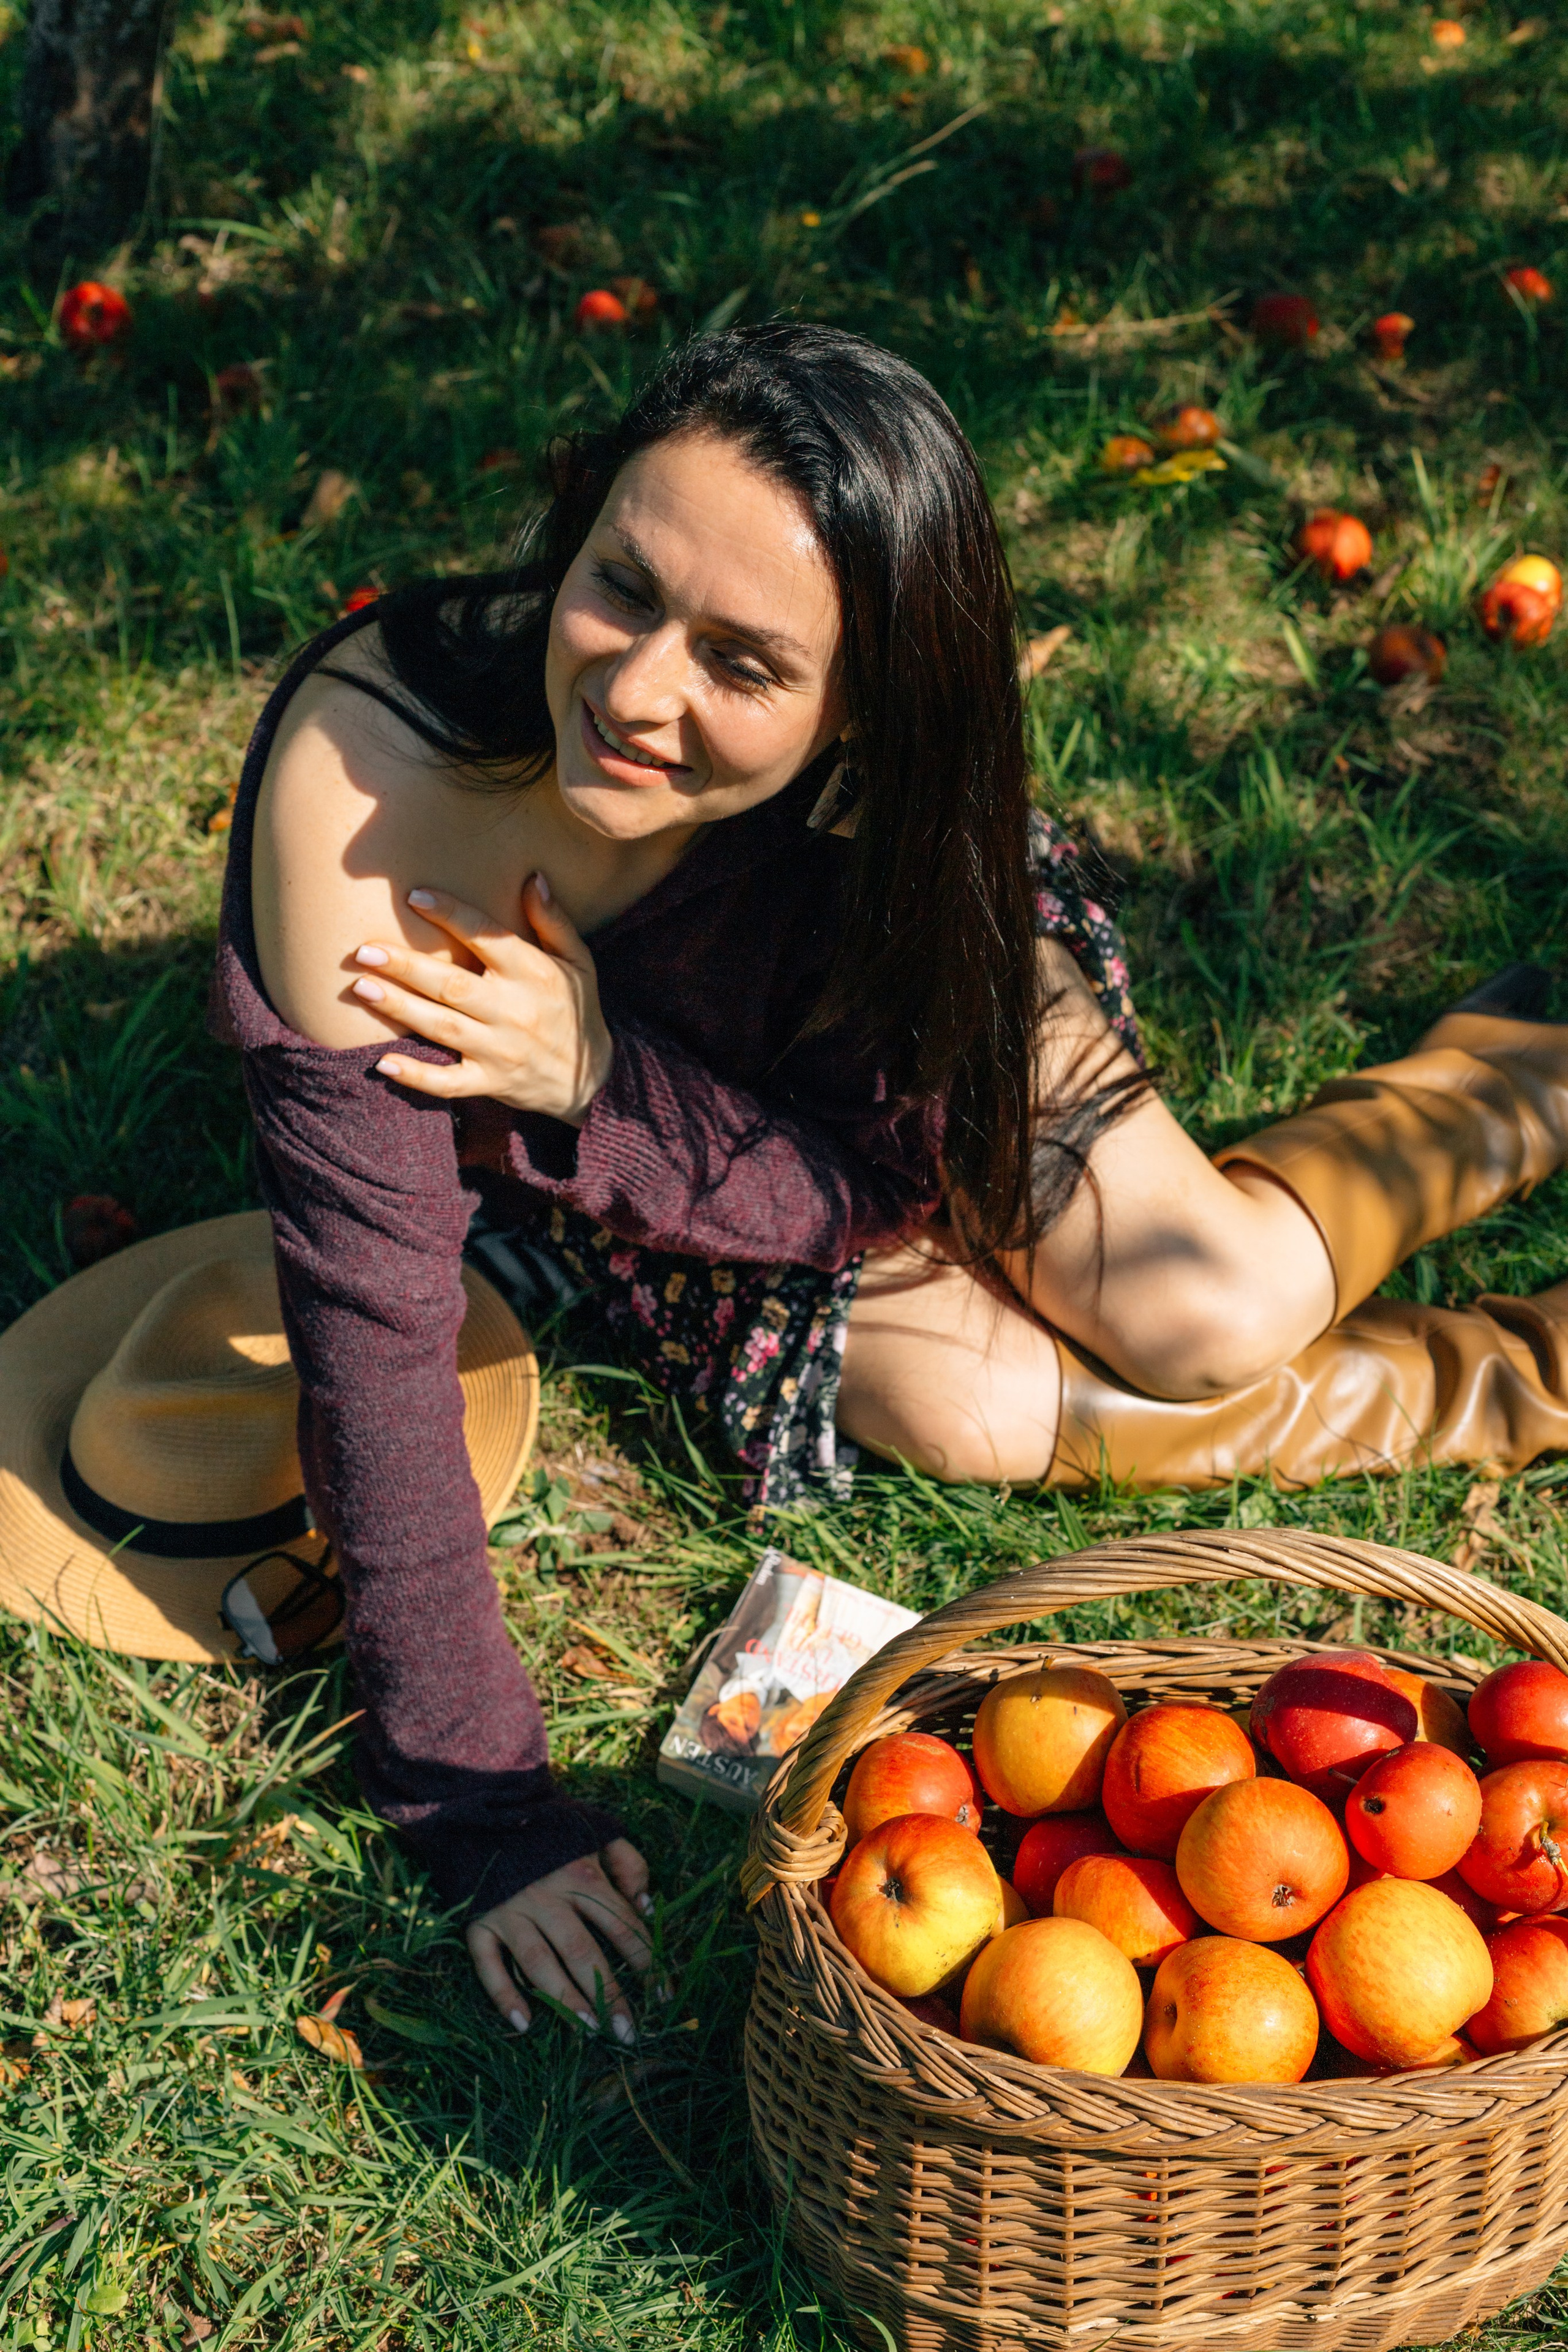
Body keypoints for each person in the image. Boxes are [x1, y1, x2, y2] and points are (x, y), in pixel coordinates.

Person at [216, 321, 1568, 2042]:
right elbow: (377, 1345)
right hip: (634, 1165)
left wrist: (603, 1073)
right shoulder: (369, 797)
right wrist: (482, 1815)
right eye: (618, 587)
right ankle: (1524, 1376)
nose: (635, 691)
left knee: (1204, 1304)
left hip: (869, 1036)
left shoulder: (878, 823)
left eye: (743, 662)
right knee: (983, 1405)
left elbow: (861, 1191)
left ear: (862, 703)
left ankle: (1520, 1080)